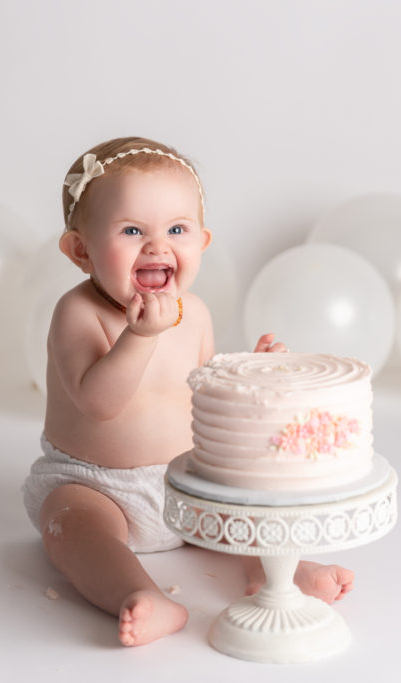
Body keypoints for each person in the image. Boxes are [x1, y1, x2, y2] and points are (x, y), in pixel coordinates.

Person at [23, 137, 354, 647]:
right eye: (132, 230)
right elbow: (100, 403)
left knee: (246, 500)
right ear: (80, 250)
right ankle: (140, 593)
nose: (157, 246)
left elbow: (205, 390)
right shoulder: (78, 313)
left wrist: (253, 375)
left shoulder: (193, 313)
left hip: (187, 480)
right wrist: (138, 337)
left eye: (176, 229)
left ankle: (272, 571)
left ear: (201, 242)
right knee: (71, 530)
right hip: (94, 484)